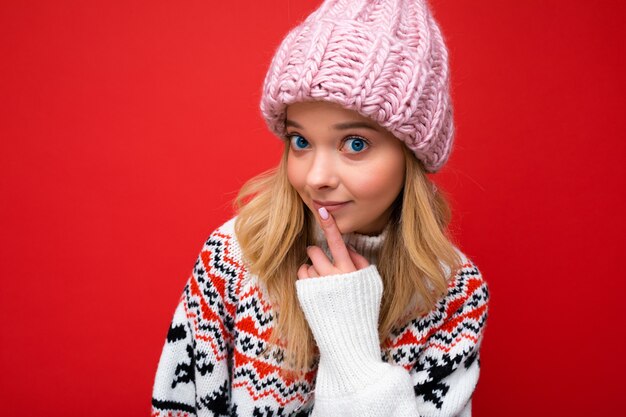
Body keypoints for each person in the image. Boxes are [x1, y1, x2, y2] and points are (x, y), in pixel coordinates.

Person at [151, 0, 490, 416]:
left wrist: (352, 354)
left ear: (411, 156)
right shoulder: (236, 258)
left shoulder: (452, 293)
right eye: (301, 141)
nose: (316, 177)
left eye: (355, 144)